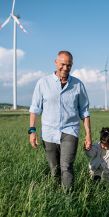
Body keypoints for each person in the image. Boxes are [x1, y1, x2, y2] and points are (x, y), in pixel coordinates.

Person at [29, 50, 92, 189]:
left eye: (69, 65)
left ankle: (68, 198)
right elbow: (35, 109)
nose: (65, 68)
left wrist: (88, 135)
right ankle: (56, 196)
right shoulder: (43, 83)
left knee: (67, 167)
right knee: (54, 169)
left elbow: (85, 111)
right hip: (49, 133)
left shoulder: (78, 85)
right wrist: (32, 131)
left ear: (72, 65)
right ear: (56, 62)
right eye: (62, 64)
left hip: (70, 130)